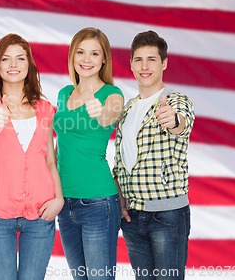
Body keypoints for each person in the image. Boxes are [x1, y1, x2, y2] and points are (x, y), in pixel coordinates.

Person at [0, 33, 64, 280]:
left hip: (41, 212)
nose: (13, 65)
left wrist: (59, 199)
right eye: (6, 59)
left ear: (29, 65)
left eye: (20, 59)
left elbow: (49, 160)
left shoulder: (44, 108)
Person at [113, 30, 195, 280]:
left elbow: (183, 123)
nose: (144, 66)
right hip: (133, 217)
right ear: (131, 64)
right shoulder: (126, 109)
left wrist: (174, 121)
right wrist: (121, 197)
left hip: (166, 216)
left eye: (151, 59)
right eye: (139, 59)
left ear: (164, 63)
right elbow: (121, 159)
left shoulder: (175, 101)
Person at [54, 27, 124, 280]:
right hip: (64, 202)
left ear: (104, 59)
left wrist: (100, 113)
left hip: (97, 202)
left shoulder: (111, 94)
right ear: (72, 56)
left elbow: (111, 115)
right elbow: (58, 147)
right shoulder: (64, 94)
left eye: (94, 53)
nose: (86, 59)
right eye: (81, 52)